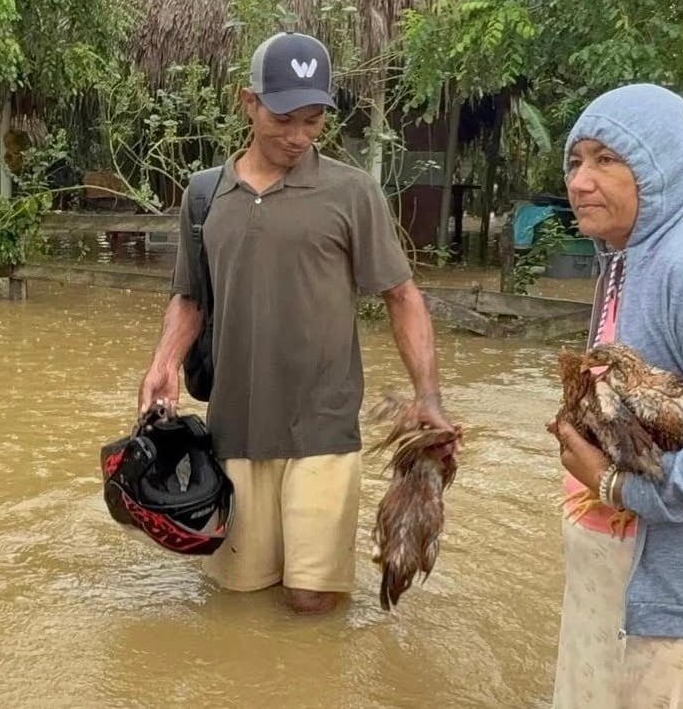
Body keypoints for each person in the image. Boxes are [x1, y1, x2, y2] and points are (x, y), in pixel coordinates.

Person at [137, 31, 456, 615]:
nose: (298, 136)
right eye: (285, 118)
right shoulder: (206, 196)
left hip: (323, 426)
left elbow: (402, 295)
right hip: (235, 426)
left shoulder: (351, 192)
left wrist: (427, 396)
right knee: (236, 600)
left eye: (313, 121)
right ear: (248, 103)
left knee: (311, 599)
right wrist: (161, 366)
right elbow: (190, 299)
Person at [548, 83, 683, 707]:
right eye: (576, 160)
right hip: (623, 581)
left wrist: (619, 488)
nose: (580, 180)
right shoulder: (629, 258)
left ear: (662, 170)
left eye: (607, 159)